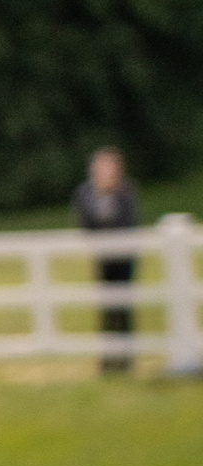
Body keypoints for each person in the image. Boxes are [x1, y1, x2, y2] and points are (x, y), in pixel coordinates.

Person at [72, 146, 142, 371]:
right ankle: (107, 360)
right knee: (105, 308)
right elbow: (84, 223)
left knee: (124, 308)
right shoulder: (85, 193)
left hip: (124, 259)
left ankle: (126, 360)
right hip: (102, 259)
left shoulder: (126, 191)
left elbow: (130, 222)